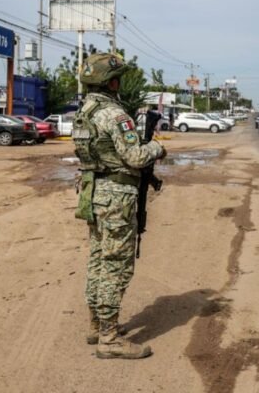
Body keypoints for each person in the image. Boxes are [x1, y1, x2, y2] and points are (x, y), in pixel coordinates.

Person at [72, 53, 166, 359]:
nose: (120, 83)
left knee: (98, 259)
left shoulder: (83, 113)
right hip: (116, 197)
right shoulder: (114, 114)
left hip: (93, 192)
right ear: (111, 82)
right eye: (118, 79)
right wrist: (157, 147)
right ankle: (109, 339)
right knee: (116, 266)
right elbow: (135, 157)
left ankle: (96, 325)